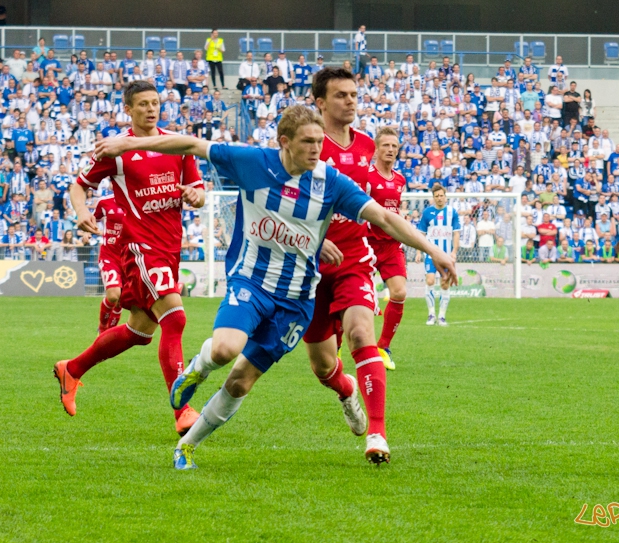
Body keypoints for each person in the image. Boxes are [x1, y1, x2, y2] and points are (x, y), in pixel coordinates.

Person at [94, 105, 455, 470]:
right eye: (308, 142)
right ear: (285, 142)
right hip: (251, 281)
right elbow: (192, 145)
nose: (317, 149)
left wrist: (434, 250)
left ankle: (186, 445)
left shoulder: (329, 182)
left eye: (319, 142)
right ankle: (198, 369)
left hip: (296, 300)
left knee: (240, 381)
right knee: (224, 350)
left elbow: (384, 217)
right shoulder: (252, 162)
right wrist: (126, 147)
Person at [53, 81, 205, 436]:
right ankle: (182, 410)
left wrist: (196, 196)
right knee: (176, 318)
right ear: (129, 109)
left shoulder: (178, 146)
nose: (151, 109)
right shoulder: (116, 150)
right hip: (140, 248)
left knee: (140, 330)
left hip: (169, 248)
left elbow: (196, 188)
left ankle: (72, 369)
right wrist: (81, 211)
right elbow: (78, 185)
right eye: (143, 105)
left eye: (155, 103)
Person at [303, 67, 415, 464]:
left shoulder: (367, 145)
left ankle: (378, 433)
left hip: (354, 260)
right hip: (309, 267)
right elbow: (286, 202)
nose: (350, 101)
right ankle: (346, 390)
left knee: (360, 332)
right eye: (341, 95)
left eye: (354, 94)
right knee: (322, 365)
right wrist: (316, 239)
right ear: (320, 102)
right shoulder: (307, 145)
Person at [366, 127, 407, 371]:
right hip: (367, 244)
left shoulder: (400, 180)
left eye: (394, 146)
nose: (390, 150)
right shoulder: (367, 177)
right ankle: (337, 342)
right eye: (386, 146)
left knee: (399, 293)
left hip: (391, 245)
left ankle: (383, 346)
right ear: (376, 149)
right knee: (352, 299)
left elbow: (394, 213)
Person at [418, 183, 460, 327]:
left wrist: (454, 252)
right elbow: (421, 235)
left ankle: (441, 316)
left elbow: (456, 233)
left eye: (442, 195)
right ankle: (431, 314)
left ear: (445, 197)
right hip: (431, 254)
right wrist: (418, 252)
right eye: (437, 196)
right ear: (433, 198)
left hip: (447, 255)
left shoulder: (452, 213)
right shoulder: (427, 213)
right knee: (430, 281)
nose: (439, 198)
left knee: (444, 283)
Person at [94, 191, 125, 332]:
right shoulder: (104, 202)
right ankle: (102, 328)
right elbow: (93, 219)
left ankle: (109, 335)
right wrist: (89, 231)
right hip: (109, 256)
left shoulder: (139, 200)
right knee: (113, 295)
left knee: (121, 301)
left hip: (129, 257)